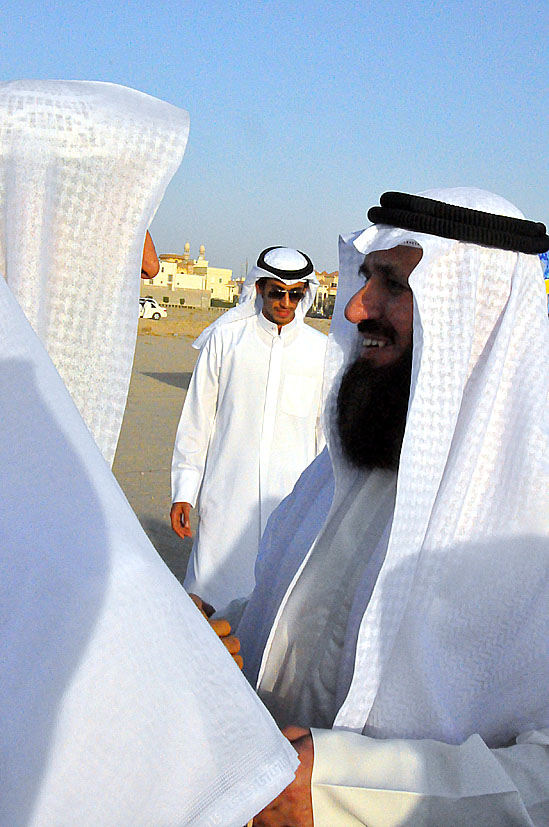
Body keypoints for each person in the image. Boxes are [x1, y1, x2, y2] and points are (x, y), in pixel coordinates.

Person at [0, 79, 298, 827]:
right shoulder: (224, 337)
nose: (148, 264)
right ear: (34, 216)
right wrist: (158, 659)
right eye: (130, 223)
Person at [228, 188, 549, 825]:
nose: (354, 308)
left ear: (473, 315)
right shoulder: (343, 466)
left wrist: (347, 790)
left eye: (394, 285)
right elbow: (309, 623)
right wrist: (227, 633)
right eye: (366, 276)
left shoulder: (533, 514)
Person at [171, 246, 327, 607]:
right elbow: (198, 419)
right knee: (206, 603)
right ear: (259, 289)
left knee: (275, 609)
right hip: (226, 497)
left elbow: (324, 436)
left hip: (289, 502)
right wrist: (184, 489)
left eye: (295, 293)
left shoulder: (320, 352)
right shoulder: (225, 342)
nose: (286, 302)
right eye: (277, 292)